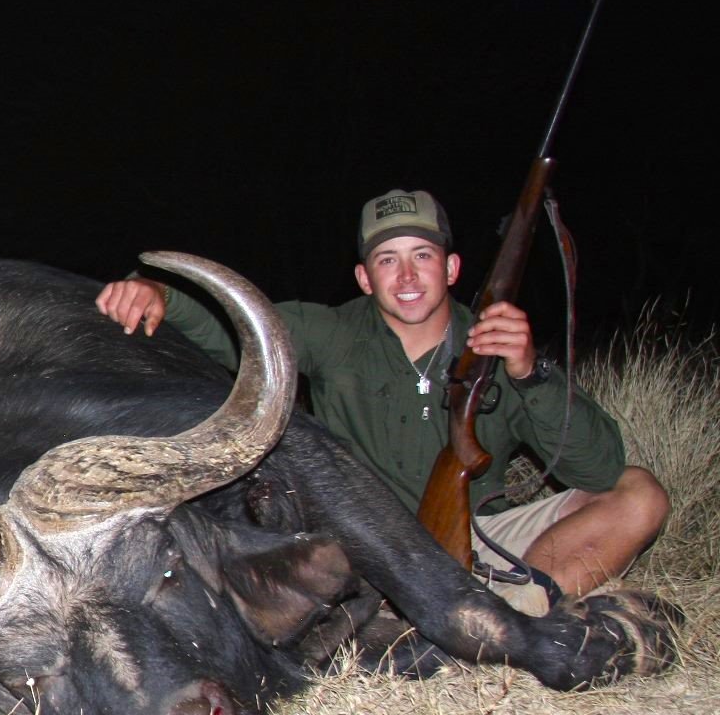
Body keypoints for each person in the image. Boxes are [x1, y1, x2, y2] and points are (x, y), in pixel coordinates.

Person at [94, 188, 669, 611]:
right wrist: (161, 294)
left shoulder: (496, 344)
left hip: (485, 543)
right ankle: (442, 615)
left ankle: (508, 616)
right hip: (365, 548)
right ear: (365, 279)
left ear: (451, 268)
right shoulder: (332, 333)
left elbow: (598, 469)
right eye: (387, 259)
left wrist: (529, 371)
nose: (407, 275)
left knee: (639, 493)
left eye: (422, 255)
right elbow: (240, 330)